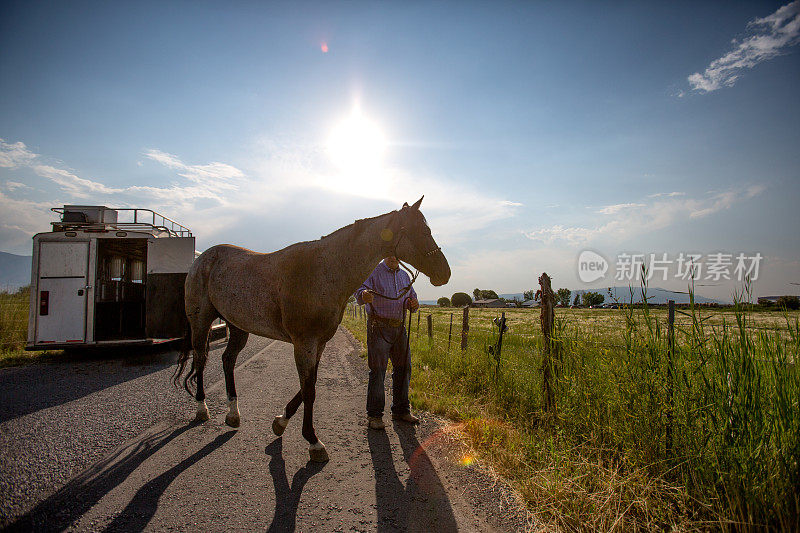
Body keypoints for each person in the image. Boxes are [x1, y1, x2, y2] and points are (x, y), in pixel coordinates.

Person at [354, 255, 420, 430]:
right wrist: (363, 295)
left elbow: (412, 298)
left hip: (400, 327)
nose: (394, 257)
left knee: (404, 368)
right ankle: (374, 416)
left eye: (397, 255)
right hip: (379, 327)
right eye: (390, 253)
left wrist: (413, 304)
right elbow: (359, 291)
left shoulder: (405, 275)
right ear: (384, 254)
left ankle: (401, 410)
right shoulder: (373, 271)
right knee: (378, 371)